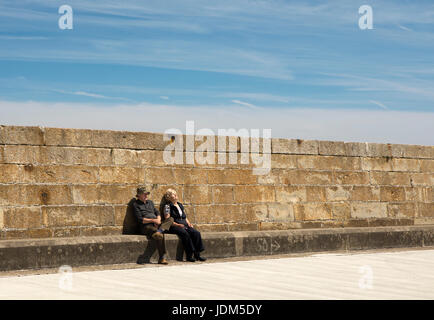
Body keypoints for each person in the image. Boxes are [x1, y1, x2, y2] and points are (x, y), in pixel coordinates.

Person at [132, 187, 173, 265]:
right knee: (157, 233)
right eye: (144, 194)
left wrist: (158, 219)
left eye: (147, 194)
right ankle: (162, 257)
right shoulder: (136, 205)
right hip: (146, 226)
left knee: (170, 219)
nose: (146, 195)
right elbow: (141, 220)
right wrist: (153, 221)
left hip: (157, 223)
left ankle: (159, 230)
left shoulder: (150, 202)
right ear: (139, 195)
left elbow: (157, 212)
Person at [163, 188, 206, 262]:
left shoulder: (179, 205)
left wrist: (189, 223)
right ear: (169, 197)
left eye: (175, 193)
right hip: (174, 225)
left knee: (196, 233)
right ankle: (189, 255)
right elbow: (167, 220)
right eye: (173, 194)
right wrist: (177, 225)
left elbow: (184, 217)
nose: (175, 195)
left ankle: (197, 254)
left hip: (184, 224)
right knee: (185, 234)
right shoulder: (167, 206)